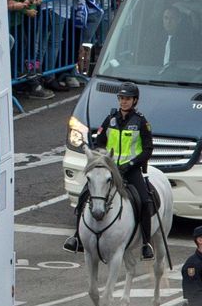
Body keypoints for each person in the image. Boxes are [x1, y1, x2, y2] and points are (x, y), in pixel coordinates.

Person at [64, 82, 156, 258]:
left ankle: (146, 243)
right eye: (121, 98)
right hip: (109, 168)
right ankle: (76, 237)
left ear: (134, 100)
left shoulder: (141, 122)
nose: (124, 102)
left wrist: (130, 164)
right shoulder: (111, 119)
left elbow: (147, 149)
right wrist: (102, 159)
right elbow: (100, 141)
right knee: (84, 195)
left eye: (127, 99)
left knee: (145, 201)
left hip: (131, 169)